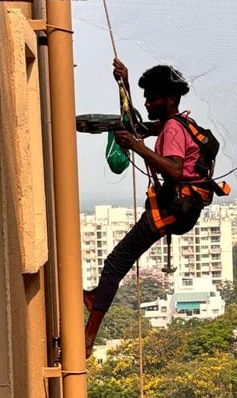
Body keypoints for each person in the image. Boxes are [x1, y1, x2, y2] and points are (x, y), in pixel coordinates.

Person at [82, 59, 205, 357]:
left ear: (170, 100)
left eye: (153, 97)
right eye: (147, 97)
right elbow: (135, 125)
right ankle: (95, 299)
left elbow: (174, 170)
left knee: (116, 262)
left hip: (174, 207)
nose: (148, 103)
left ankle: (88, 336)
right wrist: (122, 85)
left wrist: (138, 147)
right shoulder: (179, 123)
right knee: (118, 262)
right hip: (182, 206)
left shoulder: (174, 128)